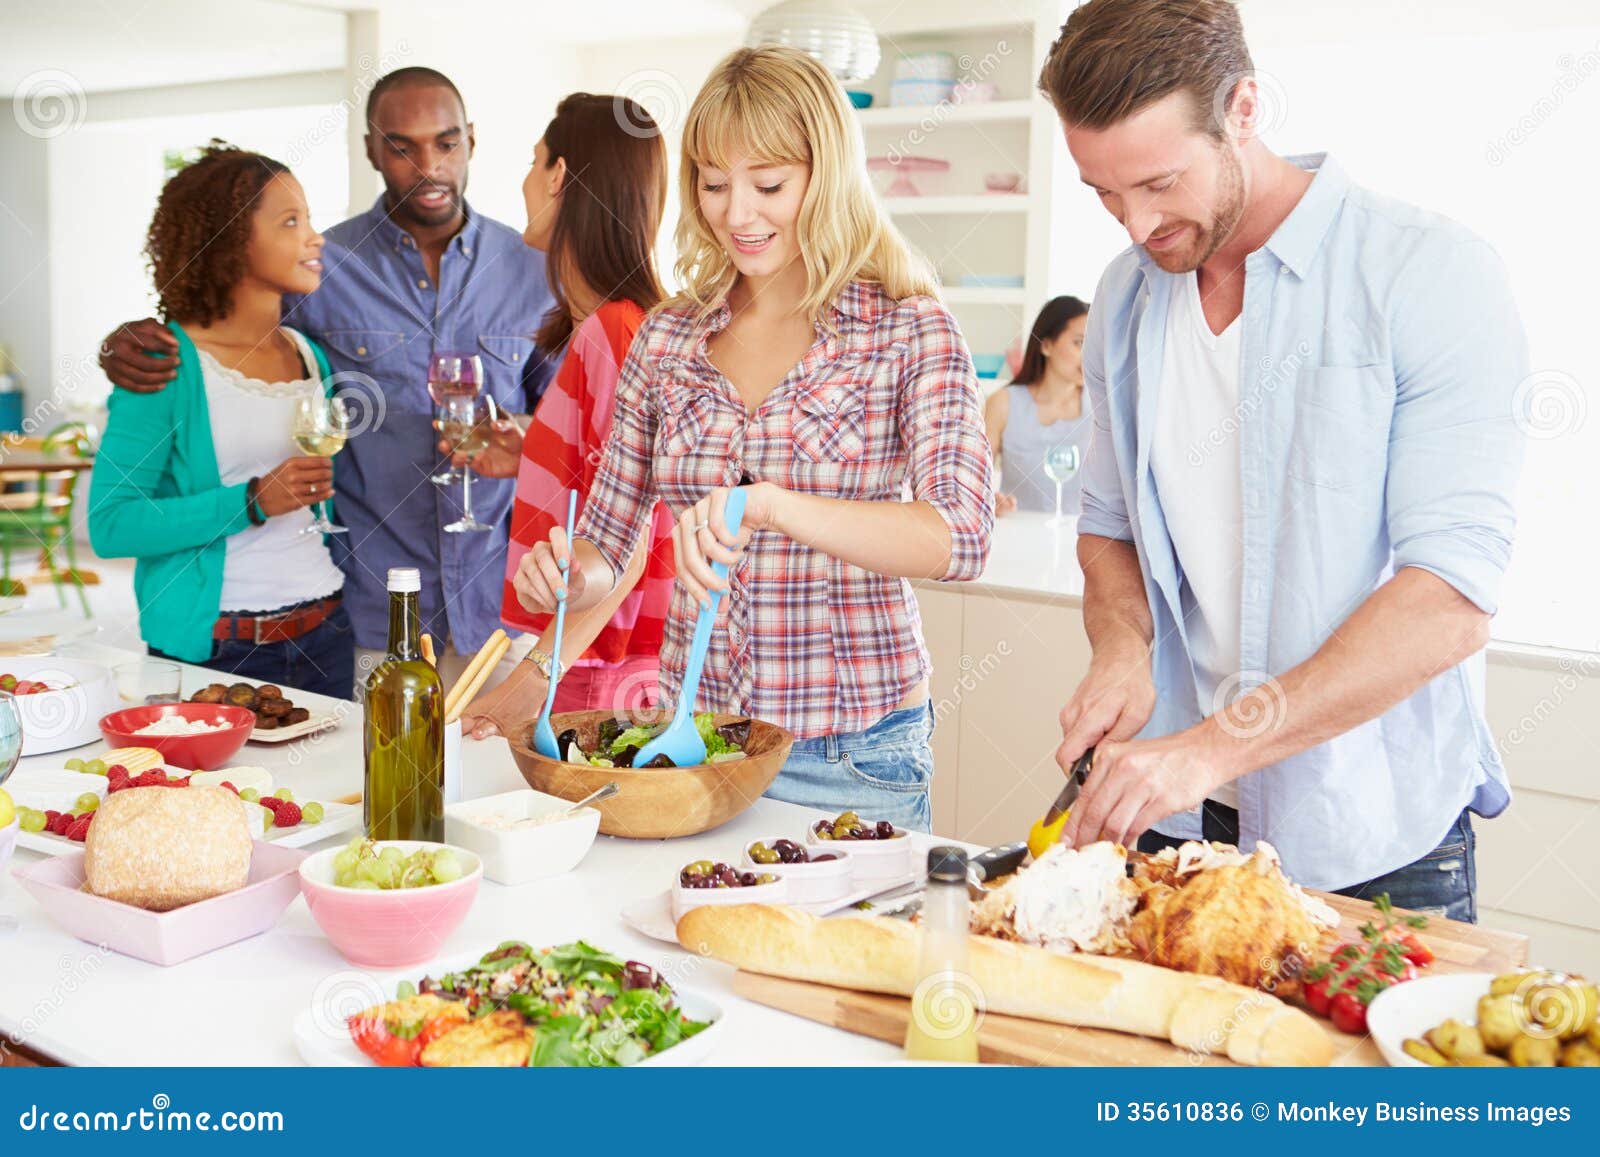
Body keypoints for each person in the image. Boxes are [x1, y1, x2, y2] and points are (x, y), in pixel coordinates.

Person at [1043, 0, 1527, 919]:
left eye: (1159, 182)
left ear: (1245, 108)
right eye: (1104, 194)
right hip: (1178, 823)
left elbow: (1450, 598)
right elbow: (1107, 527)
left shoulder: (1427, 272)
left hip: (1374, 842)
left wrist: (1212, 747)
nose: (1135, 226)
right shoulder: (1124, 299)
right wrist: (1120, 647)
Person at [512, 46, 995, 831]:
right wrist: (568, 577)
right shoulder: (667, 338)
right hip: (695, 743)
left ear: (826, 175)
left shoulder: (908, 326)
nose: (737, 214)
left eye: (769, 184)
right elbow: (607, 543)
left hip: (853, 754)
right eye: (712, 184)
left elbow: (962, 536)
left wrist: (771, 504)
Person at [96, 67, 555, 696]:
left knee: (496, 790)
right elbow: (219, 328)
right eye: (402, 146)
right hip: (369, 609)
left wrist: (525, 438)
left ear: (471, 139)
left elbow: (571, 429)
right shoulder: (320, 267)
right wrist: (124, 339)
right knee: (372, 788)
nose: (428, 166)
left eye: (446, 143)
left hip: (497, 610)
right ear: (370, 148)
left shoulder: (534, 269)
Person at [88, 144, 354, 698]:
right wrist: (251, 501)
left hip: (324, 633)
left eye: (308, 218)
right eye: (290, 221)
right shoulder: (165, 364)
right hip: (218, 651)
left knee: (334, 791)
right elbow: (112, 525)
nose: (315, 237)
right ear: (232, 240)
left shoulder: (307, 353)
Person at [450, 93, 677, 737]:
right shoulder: (606, 328)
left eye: (533, 161)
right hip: (598, 663)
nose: (524, 180)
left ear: (558, 175)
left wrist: (528, 685)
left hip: (603, 675)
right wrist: (533, 449)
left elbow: (629, 537)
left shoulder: (614, 331)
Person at [984, 295, 1093, 516]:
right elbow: (972, 485)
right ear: (1046, 345)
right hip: (1020, 537)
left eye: (1095, 344)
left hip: (1082, 541)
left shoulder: (1104, 406)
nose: (1089, 354)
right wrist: (989, 503)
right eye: (1079, 343)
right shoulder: (1003, 404)